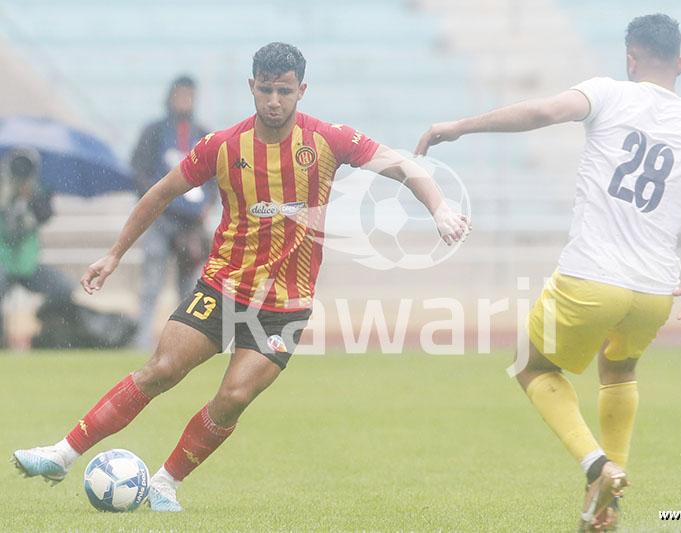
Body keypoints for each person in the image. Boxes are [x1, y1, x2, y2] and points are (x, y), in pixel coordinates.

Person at [11, 42, 470, 511]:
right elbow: (160, 193)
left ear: (301, 91)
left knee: (231, 398)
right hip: (224, 287)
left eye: (285, 91)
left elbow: (402, 166)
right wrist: (113, 255)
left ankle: (166, 483)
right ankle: (62, 453)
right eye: (266, 89)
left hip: (287, 306)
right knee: (162, 370)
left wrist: (440, 208)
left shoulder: (330, 140)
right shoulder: (223, 145)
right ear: (251, 86)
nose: (274, 100)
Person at [416, 14, 681, 531]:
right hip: (653, 294)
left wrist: (459, 127)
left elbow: (542, 110)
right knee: (618, 372)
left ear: (630, 59)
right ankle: (608, 503)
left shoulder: (609, 93)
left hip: (590, 278)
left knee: (530, 364)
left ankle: (597, 465)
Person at [130, 75, 215, 350]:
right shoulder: (154, 133)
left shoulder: (201, 134)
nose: (184, 101)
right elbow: (139, 171)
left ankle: (183, 342)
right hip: (159, 220)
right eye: (180, 95)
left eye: (189, 96)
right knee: (152, 281)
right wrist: (158, 199)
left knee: (188, 287)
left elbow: (214, 178)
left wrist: (206, 205)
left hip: (190, 225)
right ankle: (143, 337)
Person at [0, 147, 73, 347]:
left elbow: (45, 215)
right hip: (3, 261)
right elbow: (9, 229)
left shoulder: (39, 191)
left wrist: (30, 197)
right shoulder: (3, 188)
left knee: (64, 289)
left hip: (28, 264)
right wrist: (12, 200)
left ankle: (47, 338)